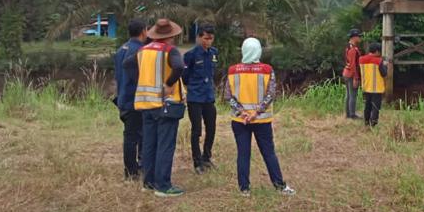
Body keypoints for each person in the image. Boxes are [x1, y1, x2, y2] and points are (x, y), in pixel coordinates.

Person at [224, 37, 295, 197]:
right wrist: (256, 113)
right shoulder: (267, 70)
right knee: (269, 152)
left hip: (239, 120)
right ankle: (280, 186)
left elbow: (228, 96)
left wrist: (243, 113)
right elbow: (271, 95)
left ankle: (244, 189)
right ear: (258, 51)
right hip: (261, 120)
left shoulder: (233, 70)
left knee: (243, 154)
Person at [124, 18, 186, 197]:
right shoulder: (170, 50)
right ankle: (163, 185)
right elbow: (179, 67)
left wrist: (141, 79)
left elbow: (126, 65)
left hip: (146, 104)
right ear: (171, 35)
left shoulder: (143, 50)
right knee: (165, 144)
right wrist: (169, 83)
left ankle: (148, 182)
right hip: (165, 104)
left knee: (149, 144)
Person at [113, 19, 147, 181]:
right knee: (134, 136)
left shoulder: (121, 49)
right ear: (143, 31)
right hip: (135, 99)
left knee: (131, 135)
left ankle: (132, 168)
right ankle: (132, 171)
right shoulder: (140, 51)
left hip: (123, 97)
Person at [183, 24, 218, 174]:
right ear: (198, 37)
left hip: (208, 97)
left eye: (210, 39)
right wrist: (192, 86)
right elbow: (184, 76)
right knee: (196, 130)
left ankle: (206, 157)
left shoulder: (214, 53)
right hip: (195, 97)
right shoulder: (190, 55)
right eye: (205, 38)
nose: (208, 42)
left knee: (211, 128)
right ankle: (197, 162)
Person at [359, 42, 389, 127]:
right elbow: (384, 74)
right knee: (375, 107)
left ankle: (366, 122)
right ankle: (373, 124)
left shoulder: (361, 59)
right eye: (379, 52)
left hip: (366, 86)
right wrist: (385, 66)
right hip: (376, 88)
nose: (379, 54)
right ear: (376, 51)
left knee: (367, 106)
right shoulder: (378, 61)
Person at [342, 29, 363, 120]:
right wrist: (356, 78)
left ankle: (348, 114)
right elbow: (354, 65)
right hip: (351, 74)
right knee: (353, 95)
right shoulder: (353, 49)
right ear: (354, 37)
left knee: (349, 94)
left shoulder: (348, 47)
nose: (360, 37)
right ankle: (352, 114)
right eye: (359, 36)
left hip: (346, 72)